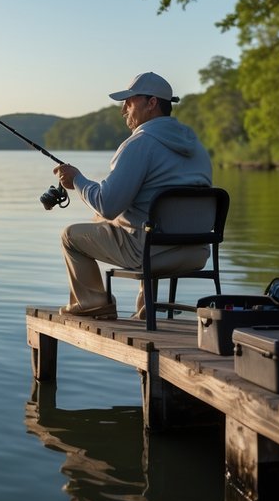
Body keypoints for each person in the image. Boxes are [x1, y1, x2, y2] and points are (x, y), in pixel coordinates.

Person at [52, 72, 213, 320]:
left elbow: (107, 204)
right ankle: (145, 309)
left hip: (149, 253)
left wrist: (77, 181)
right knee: (108, 220)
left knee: (70, 236)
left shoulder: (140, 143)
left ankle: (93, 303)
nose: (123, 109)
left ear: (151, 103)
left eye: (129, 101)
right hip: (195, 252)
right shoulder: (196, 147)